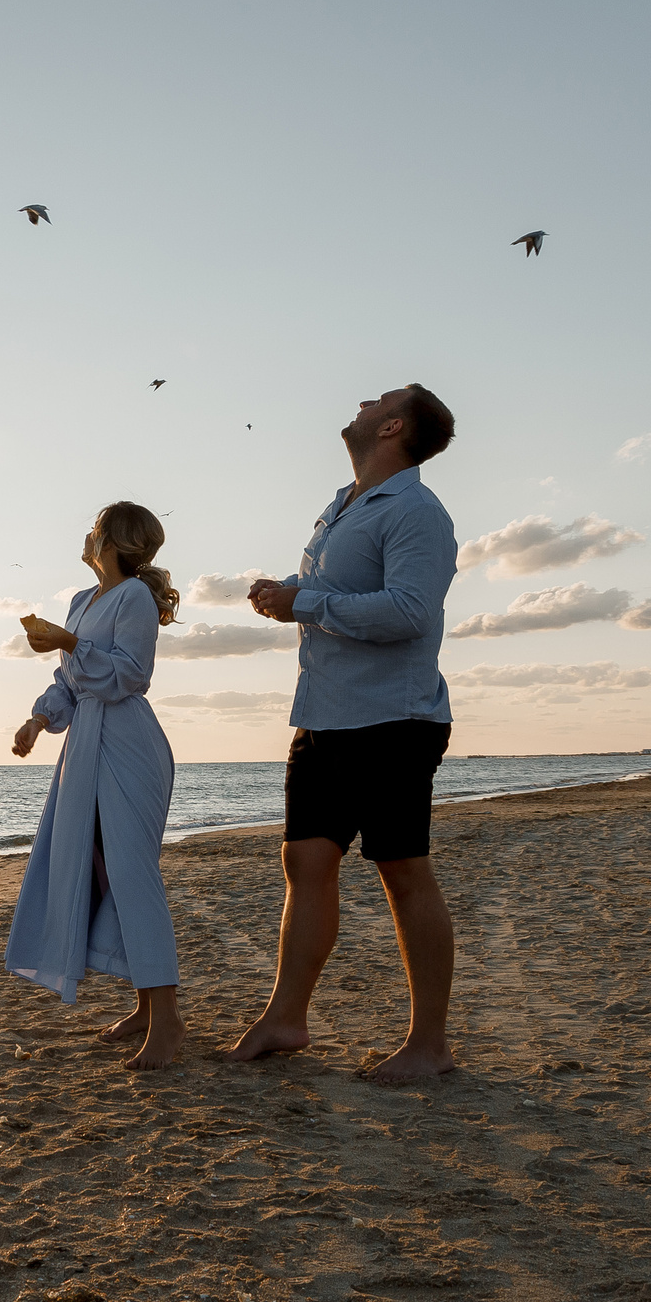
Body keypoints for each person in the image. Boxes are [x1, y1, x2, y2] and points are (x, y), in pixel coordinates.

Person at [225, 384, 461, 1084]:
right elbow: (337, 602)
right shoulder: (341, 505)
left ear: (393, 426)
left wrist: (308, 600)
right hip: (323, 714)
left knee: (402, 869)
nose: (360, 402)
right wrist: (288, 597)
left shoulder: (418, 510)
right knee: (304, 863)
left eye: (377, 400)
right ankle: (285, 1018)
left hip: (394, 717)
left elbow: (409, 612)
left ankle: (429, 1044)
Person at [3, 501, 184, 1070]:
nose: (85, 534)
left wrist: (74, 644)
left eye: (94, 528)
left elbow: (130, 674)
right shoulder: (84, 601)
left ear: (110, 540)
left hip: (127, 744)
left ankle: (168, 1020)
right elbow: (69, 681)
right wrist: (38, 718)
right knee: (106, 874)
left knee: (133, 875)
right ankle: (144, 1006)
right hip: (83, 747)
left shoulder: (133, 597)